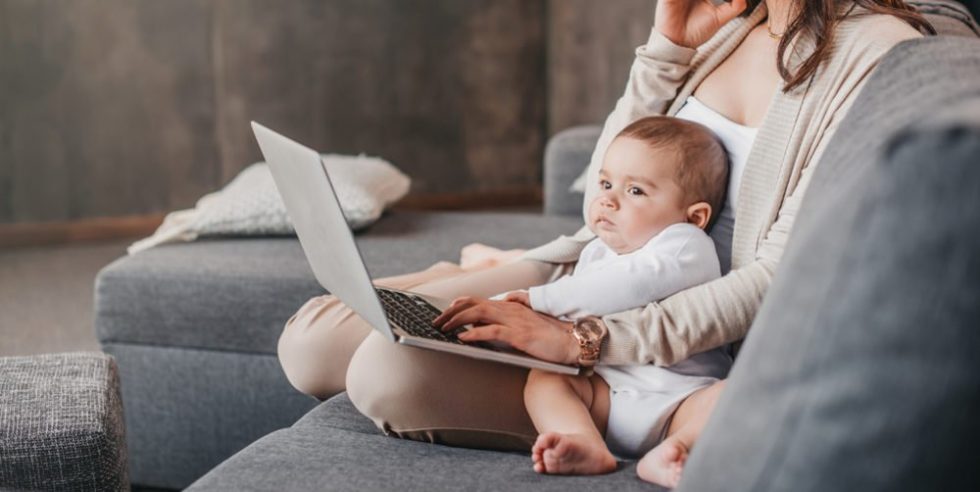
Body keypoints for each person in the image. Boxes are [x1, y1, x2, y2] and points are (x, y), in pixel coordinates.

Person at [278, 0, 933, 484]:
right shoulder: (734, 21)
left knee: (381, 369)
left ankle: (492, 282)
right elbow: (603, 187)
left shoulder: (879, 50)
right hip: (584, 272)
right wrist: (667, 46)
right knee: (309, 345)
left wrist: (581, 340)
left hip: (664, 346)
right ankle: (483, 268)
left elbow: (772, 279)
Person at [508, 114, 732, 479]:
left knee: (731, 395)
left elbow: (625, 287)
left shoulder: (686, 245)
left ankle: (675, 448)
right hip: (608, 394)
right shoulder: (597, 251)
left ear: (694, 218)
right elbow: (575, 315)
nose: (608, 201)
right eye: (605, 183)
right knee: (547, 379)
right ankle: (583, 440)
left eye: (635, 191)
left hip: (682, 400)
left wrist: (536, 300)